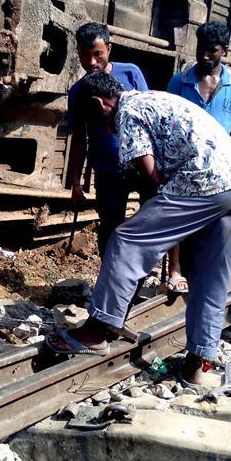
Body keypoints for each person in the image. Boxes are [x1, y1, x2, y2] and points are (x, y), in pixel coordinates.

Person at [46, 72, 231, 389]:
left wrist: (153, 219)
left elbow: (152, 175)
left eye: (92, 119)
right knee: (208, 274)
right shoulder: (152, 99)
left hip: (205, 181)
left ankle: (96, 331)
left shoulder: (126, 113)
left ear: (98, 104)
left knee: (128, 239)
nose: (101, 129)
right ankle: (198, 365)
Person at [66, 23, 186, 292]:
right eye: (85, 56)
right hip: (108, 170)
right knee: (109, 227)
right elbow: (78, 137)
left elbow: (148, 117)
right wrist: (75, 181)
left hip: (143, 165)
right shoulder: (78, 91)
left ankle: (172, 271)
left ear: (109, 48)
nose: (92, 62)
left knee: (160, 216)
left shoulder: (130, 73)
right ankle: (110, 281)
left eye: (97, 54)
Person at [168, 20, 231, 140]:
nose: (205, 56)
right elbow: (167, 117)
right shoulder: (179, 81)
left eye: (212, 51)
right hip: (183, 154)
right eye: (201, 49)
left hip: (218, 155)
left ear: (224, 50)